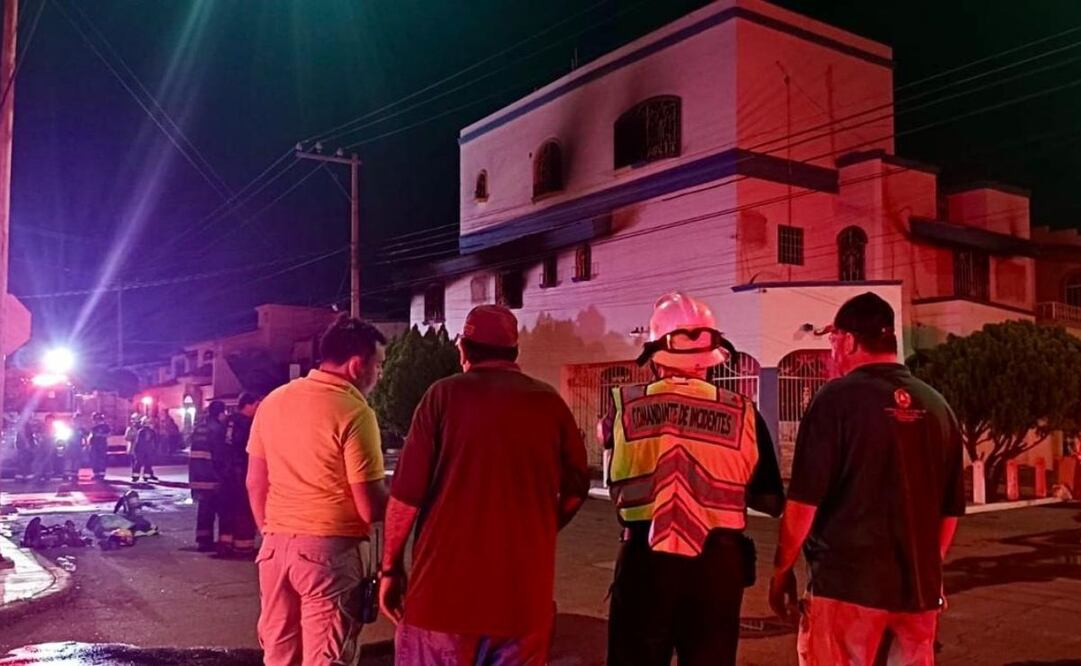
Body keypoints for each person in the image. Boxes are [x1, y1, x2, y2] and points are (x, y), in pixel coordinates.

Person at [380, 304, 590, 666]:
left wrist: (390, 568)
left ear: (463, 348)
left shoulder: (442, 396)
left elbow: (406, 498)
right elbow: (575, 490)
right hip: (523, 607)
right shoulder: (549, 403)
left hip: (441, 605)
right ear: (514, 351)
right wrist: (543, 526)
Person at [769, 292, 966, 666]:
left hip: (847, 590)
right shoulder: (938, 407)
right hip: (918, 597)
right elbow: (950, 510)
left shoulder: (835, 400)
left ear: (848, 340)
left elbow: (803, 505)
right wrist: (926, 566)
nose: (831, 351)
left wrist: (781, 573)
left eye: (832, 341)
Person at [600, 292, 785, 666]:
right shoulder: (743, 412)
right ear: (711, 355)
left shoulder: (624, 407)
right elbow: (771, 500)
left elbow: (615, 478)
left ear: (655, 355)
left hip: (644, 561)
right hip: (716, 569)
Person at [247, 315, 388, 666]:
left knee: (279, 655)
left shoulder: (273, 402)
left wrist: (273, 530)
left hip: (275, 548)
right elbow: (370, 507)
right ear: (358, 365)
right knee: (327, 658)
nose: (380, 374)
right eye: (379, 365)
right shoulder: (355, 411)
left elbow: (254, 482)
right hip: (329, 550)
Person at [217, 392, 261, 560]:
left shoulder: (227, 422)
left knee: (227, 510)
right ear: (248, 405)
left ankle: (225, 545)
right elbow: (250, 449)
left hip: (226, 475)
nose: (258, 409)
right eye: (257, 405)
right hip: (243, 472)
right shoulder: (249, 424)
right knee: (244, 510)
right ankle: (243, 547)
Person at [189, 400, 229, 552]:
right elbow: (219, 456)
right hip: (212, 476)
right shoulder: (217, 429)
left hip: (198, 476)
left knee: (204, 508)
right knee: (220, 508)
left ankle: (203, 540)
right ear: (220, 413)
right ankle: (221, 541)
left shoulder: (200, 427)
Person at [131, 416, 159, 483]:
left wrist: (135, 450)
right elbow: (155, 442)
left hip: (142, 450)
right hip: (148, 450)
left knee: (139, 463)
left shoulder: (141, 431)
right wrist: (154, 450)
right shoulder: (152, 431)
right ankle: (146, 477)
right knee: (147, 464)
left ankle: (136, 477)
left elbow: (138, 442)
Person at [88, 413, 111, 481]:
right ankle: (96, 474)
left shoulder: (105, 427)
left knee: (101, 460)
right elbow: (91, 436)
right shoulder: (94, 428)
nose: (95, 421)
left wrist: (100, 435)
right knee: (94, 460)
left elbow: (108, 434)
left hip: (101, 445)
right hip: (94, 445)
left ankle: (101, 475)